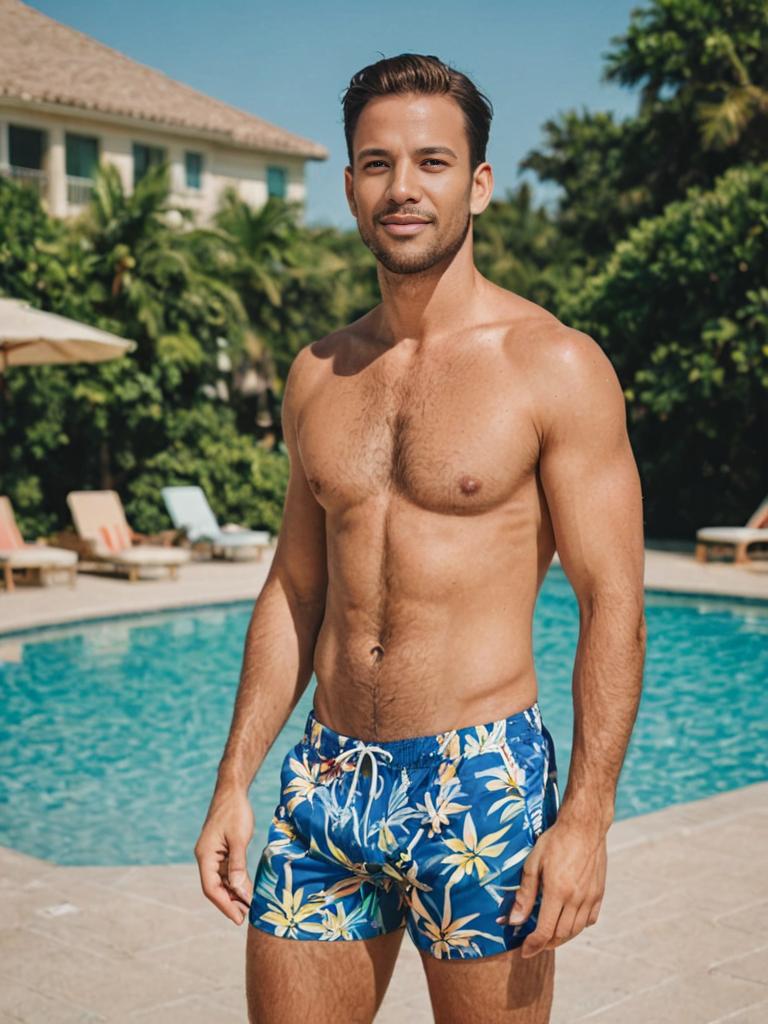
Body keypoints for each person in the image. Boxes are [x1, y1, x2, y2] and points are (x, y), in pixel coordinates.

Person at [195, 52, 646, 1024]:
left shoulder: (555, 366)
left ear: (479, 183)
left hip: (479, 782)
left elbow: (614, 601)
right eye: (376, 164)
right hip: (326, 781)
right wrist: (236, 779)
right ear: (351, 185)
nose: (403, 189)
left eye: (433, 162)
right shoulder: (319, 373)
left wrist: (588, 819)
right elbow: (293, 588)